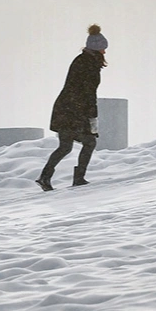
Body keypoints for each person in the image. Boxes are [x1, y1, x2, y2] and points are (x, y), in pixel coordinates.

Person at [36, 24, 108, 190]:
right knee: (89, 142)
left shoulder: (81, 60)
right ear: (97, 49)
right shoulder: (90, 65)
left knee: (65, 146)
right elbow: (88, 93)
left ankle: (45, 177)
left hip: (65, 108)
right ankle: (79, 178)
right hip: (75, 110)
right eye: (103, 49)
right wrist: (92, 118)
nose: (105, 52)